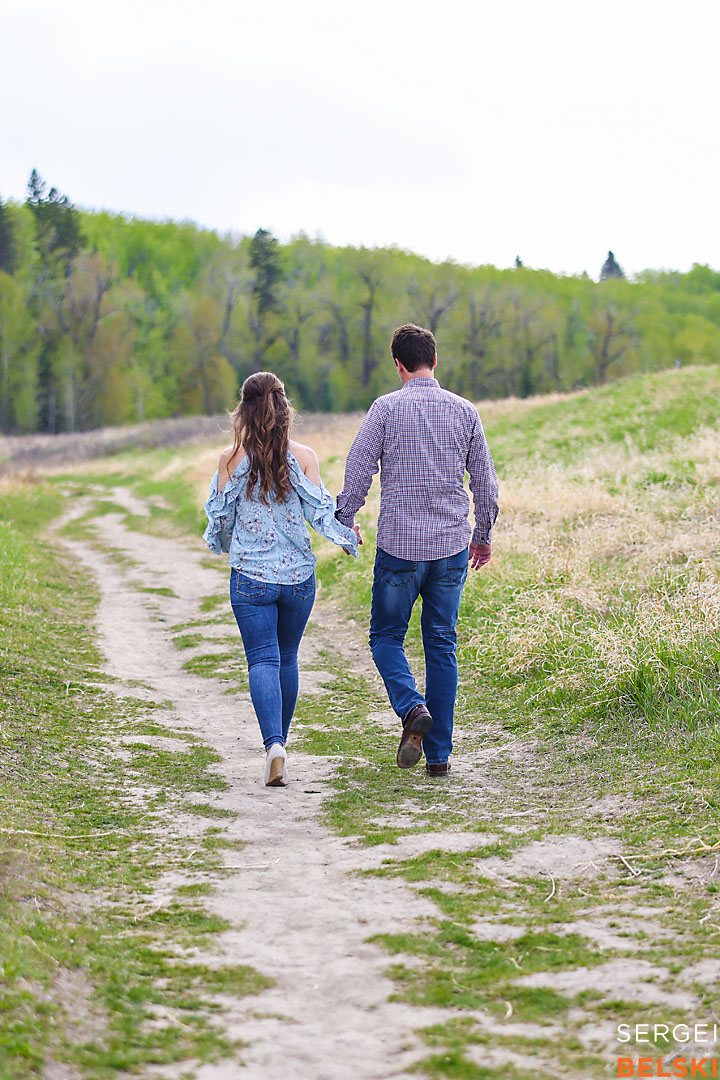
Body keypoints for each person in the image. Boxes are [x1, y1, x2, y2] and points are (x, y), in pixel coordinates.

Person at [335, 324, 498, 777]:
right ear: (434, 360)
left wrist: (344, 519)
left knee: (386, 637)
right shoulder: (465, 412)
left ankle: (411, 709)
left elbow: (358, 468)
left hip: (399, 549)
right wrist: (482, 534)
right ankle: (439, 757)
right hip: (450, 548)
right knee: (441, 644)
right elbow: (486, 482)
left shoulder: (385, 409)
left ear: (398, 364)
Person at [204, 372, 359, 788]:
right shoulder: (304, 456)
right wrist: (346, 538)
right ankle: (280, 746)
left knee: (262, 660)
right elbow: (320, 512)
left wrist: (222, 542)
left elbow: (220, 519)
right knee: (286, 659)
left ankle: (274, 746)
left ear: (244, 411)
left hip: (251, 578)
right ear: (284, 409)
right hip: (298, 580)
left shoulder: (231, 459)